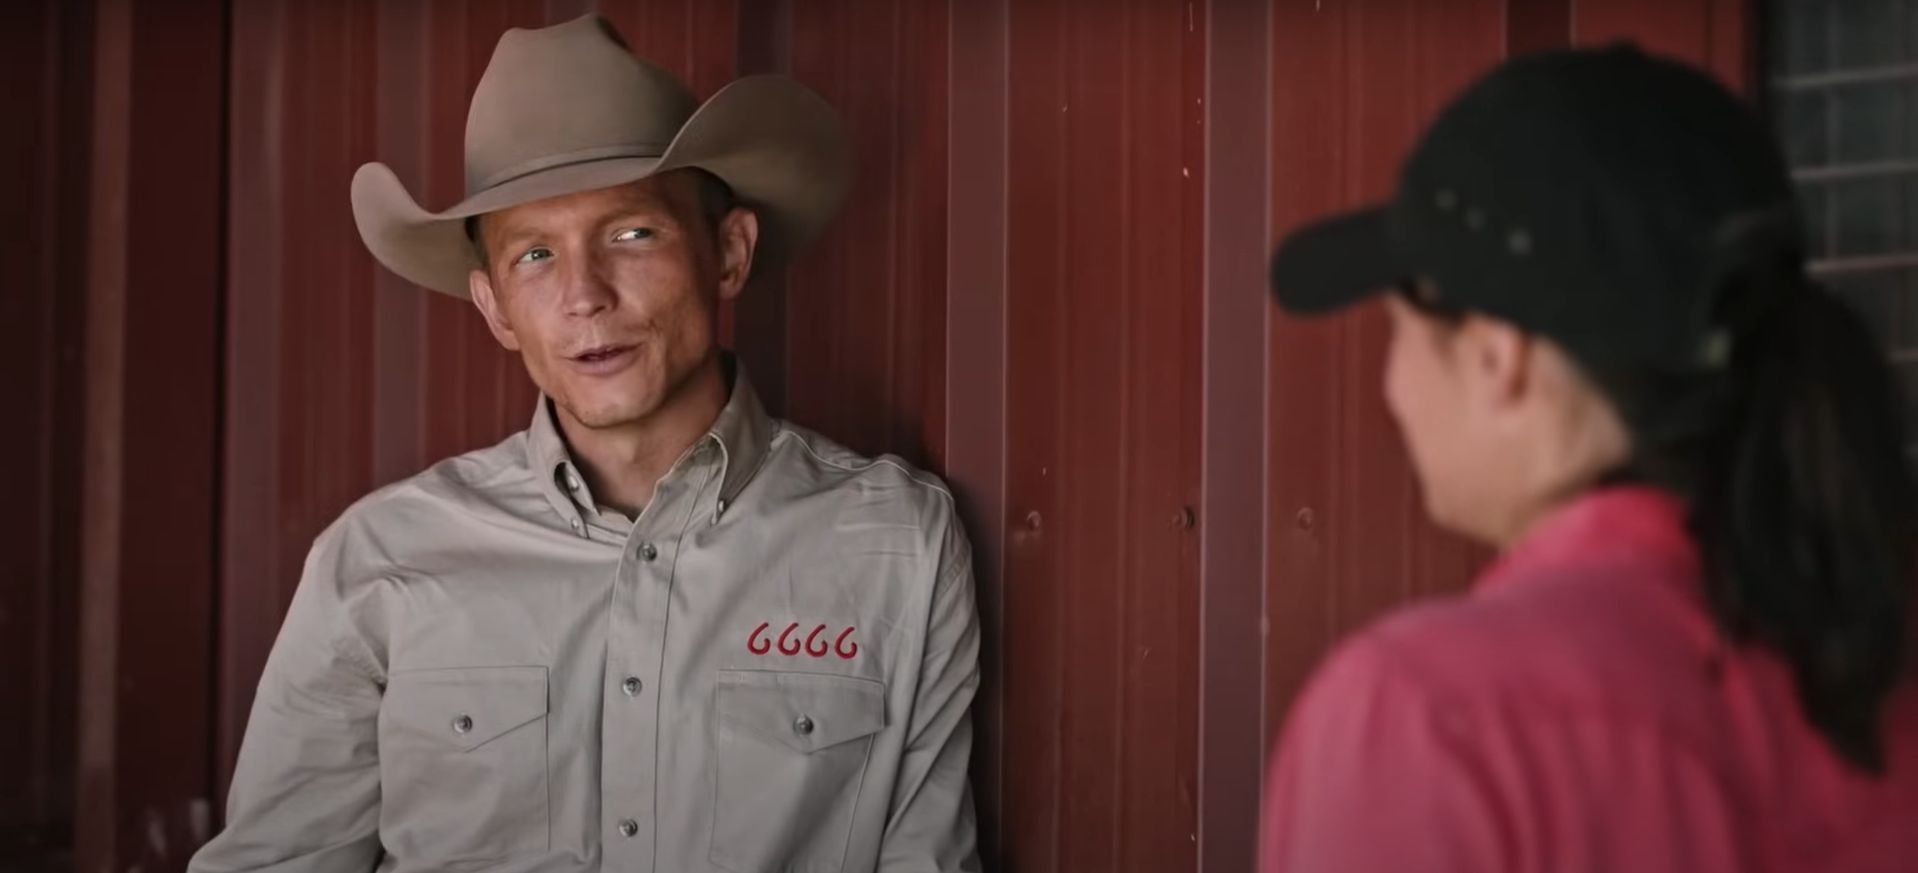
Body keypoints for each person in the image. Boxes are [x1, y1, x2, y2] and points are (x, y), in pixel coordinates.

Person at [190, 16, 980, 873]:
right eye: (534, 255)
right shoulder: (378, 561)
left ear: (728, 252)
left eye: (631, 234)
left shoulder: (896, 546)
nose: (583, 296)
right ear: (494, 309)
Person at [1259, 45, 1918, 873]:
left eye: (1400, 331)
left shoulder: (1435, 717)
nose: (1392, 389)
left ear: (1503, 360)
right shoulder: (1879, 700)